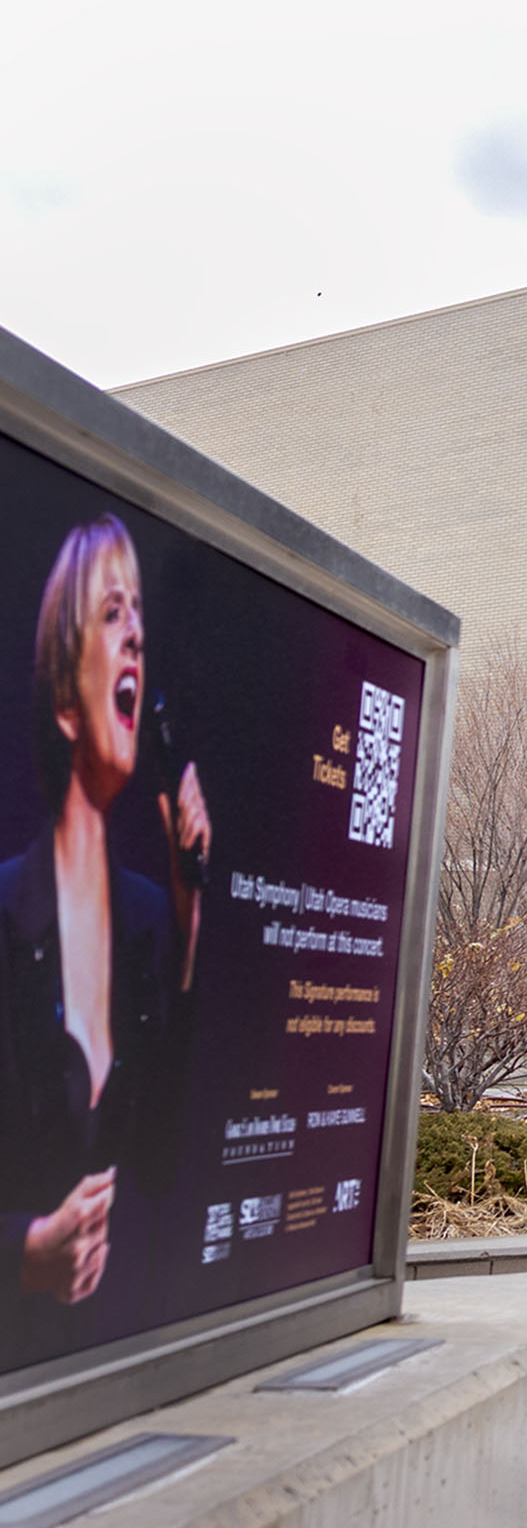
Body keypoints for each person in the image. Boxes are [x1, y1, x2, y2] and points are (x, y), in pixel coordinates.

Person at [2, 517, 213, 1314]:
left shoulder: (152, 916)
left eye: (140, 621)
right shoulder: (4, 912)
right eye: (112, 613)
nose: (135, 639)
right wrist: (26, 1253)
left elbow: (161, 1166)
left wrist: (189, 919)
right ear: (65, 697)